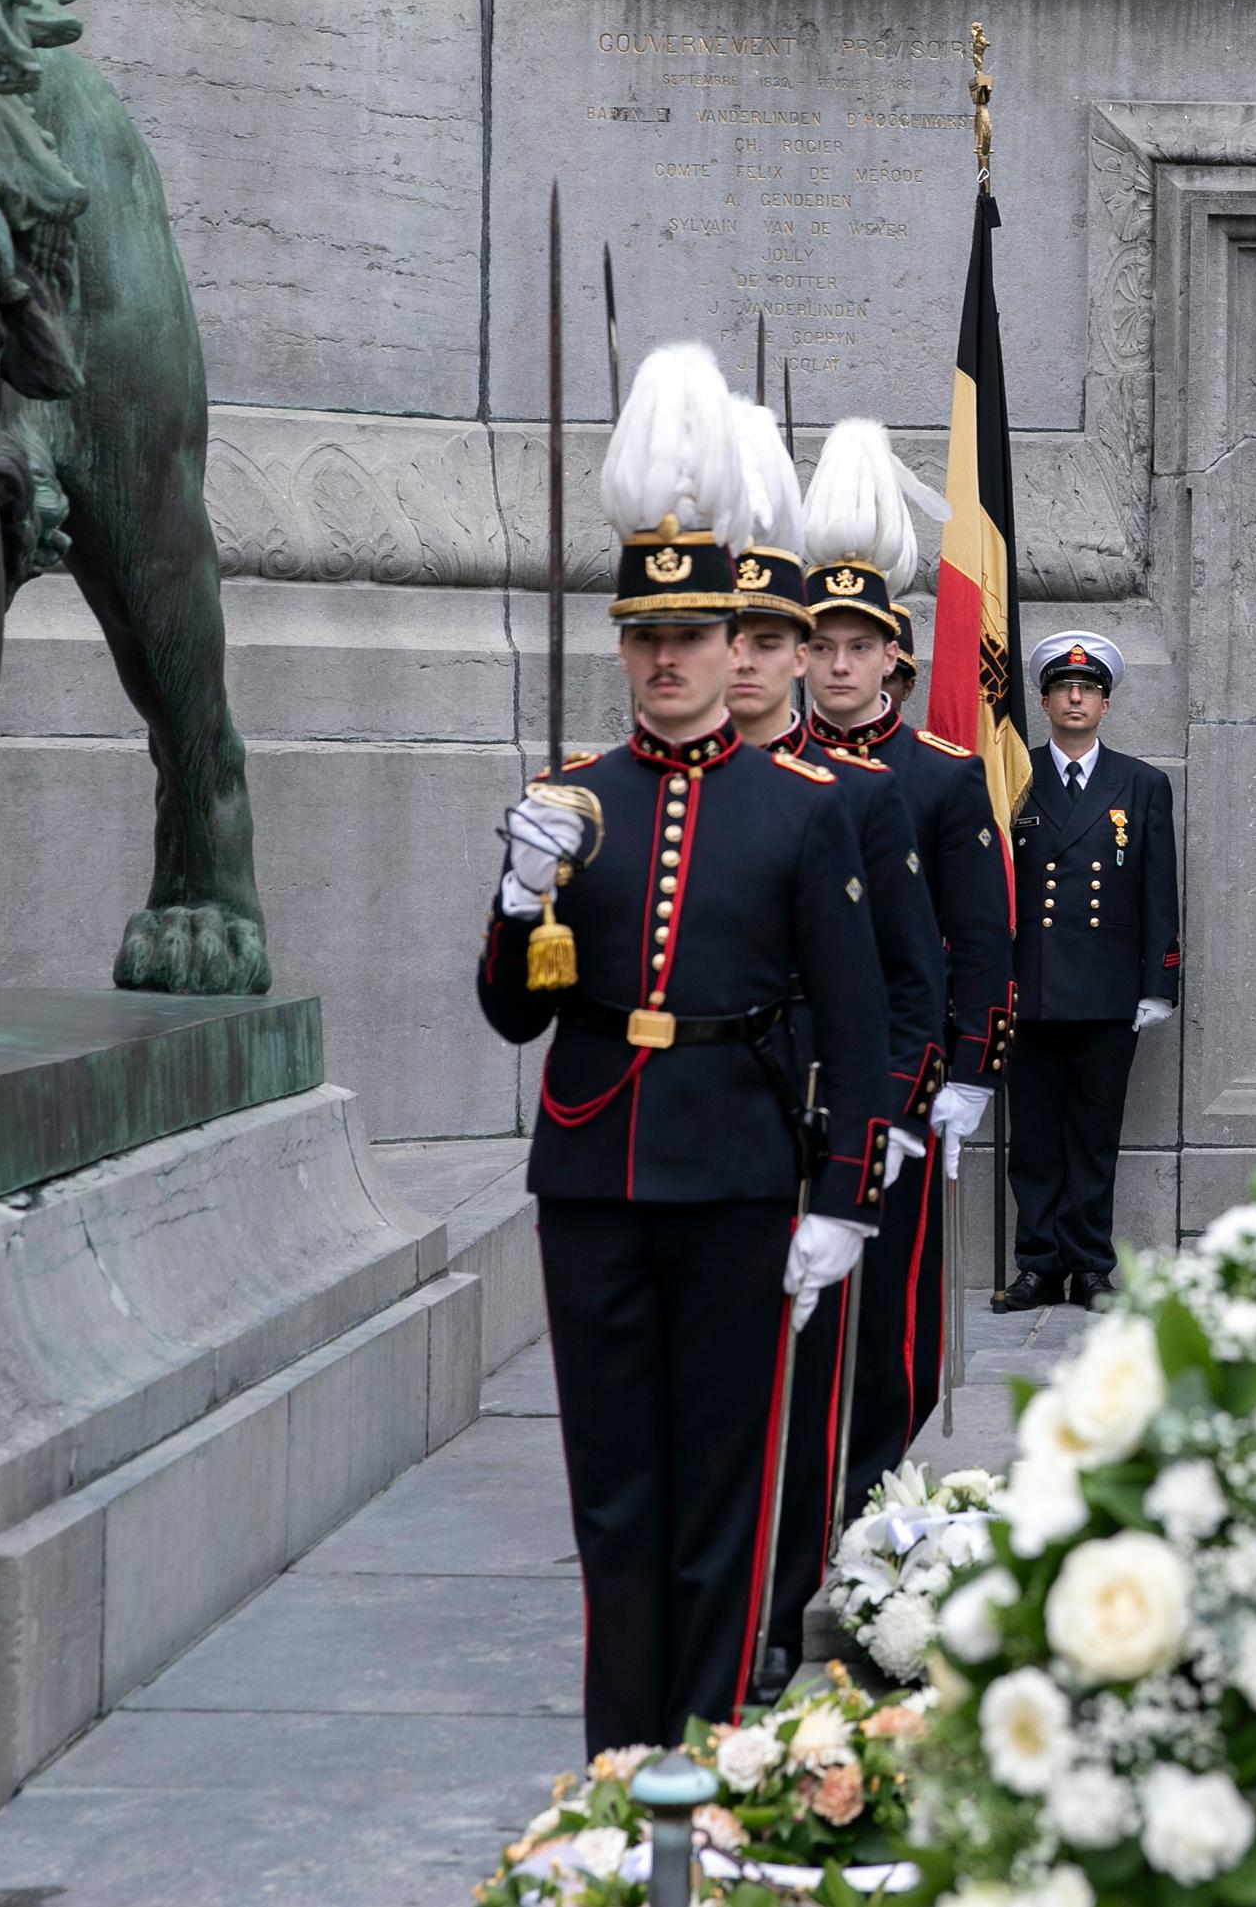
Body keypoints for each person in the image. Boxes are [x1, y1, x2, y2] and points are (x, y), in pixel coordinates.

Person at [476, 342, 887, 1752]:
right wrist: (516, 892)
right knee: (613, 1493)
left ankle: (703, 1753)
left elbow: (858, 1020)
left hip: (733, 1173)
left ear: (732, 649)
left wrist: (840, 1197)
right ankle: (618, 1758)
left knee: (722, 1481)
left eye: (693, 641)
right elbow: (514, 1012)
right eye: (645, 642)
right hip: (595, 1167)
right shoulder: (571, 799)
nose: (668, 663)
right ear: (626, 648)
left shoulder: (801, 808)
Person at [721, 400, 949, 1696]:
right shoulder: (646, 792)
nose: (758, 663)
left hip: (810, 1132)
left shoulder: (863, 798)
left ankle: (771, 1606)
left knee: (804, 1396)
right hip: (690, 1142)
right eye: (733, 638)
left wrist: (891, 1121)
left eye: (776, 640)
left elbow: (908, 988)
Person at [802, 419, 1013, 1500]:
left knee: (892, 1308)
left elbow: (980, 937)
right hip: (795, 1071)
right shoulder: (775, 765)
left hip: (906, 1072)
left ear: (896, 655)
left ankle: (871, 1477)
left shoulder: (937, 775)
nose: (838, 667)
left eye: (858, 647)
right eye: (821, 646)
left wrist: (971, 1075)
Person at [998, 632, 1181, 1311]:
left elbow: (1158, 890)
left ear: (1105, 703)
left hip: (1108, 992)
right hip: (1034, 986)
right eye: (1063, 688)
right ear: (1044, 700)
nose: (1075, 697)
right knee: (1036, 1136)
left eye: (1089, 689)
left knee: (1095, 1135)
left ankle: (1092, 1265)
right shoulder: (1012, 777)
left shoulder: (1141, 783)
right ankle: (1039, 1264)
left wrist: (1159, 982)